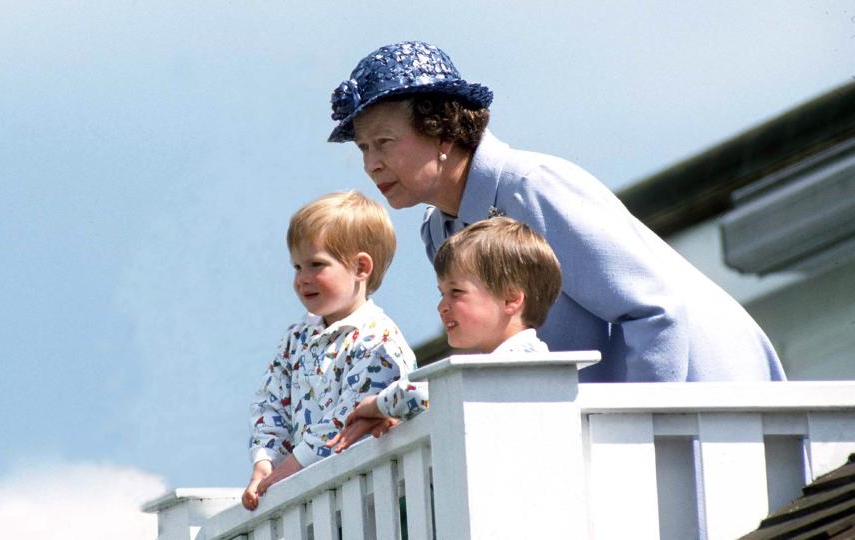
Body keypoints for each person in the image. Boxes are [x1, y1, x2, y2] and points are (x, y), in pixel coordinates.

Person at [326, 40, 785, 383]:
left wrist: (636, 439)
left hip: (711, 397)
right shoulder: (440, 230)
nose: (371, 164)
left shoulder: (532, 186)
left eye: (384, 142)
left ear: (441, 130)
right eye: (364, 148)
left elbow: (654, 310)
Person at [327, 216, 563, 453]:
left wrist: (376, 405)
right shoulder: (502, 365)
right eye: (442, 293)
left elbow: (426, 393)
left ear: (511, 299)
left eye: (456, 292)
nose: (442, 306)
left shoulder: (520, 360)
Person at [243, 190, 416, 511]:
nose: (302, 279)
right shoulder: (297, 337)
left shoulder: (378, 339)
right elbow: (270, 401)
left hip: (370, 498)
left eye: (316, 264)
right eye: (297, 266)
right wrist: (265, 462)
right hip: (310, 500)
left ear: (361, 267)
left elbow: (350, 416)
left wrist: (291, 468)